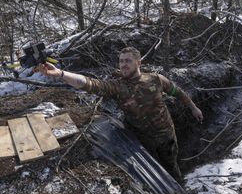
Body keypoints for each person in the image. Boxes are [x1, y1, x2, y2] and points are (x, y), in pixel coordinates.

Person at [39, 47, 203, 182]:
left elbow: (177, 91)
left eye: (128, 61)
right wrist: (61, 74)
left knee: (172, 167)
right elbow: (90, 84)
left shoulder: (155, 79)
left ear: (138, 63)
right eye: (121, 61)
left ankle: (180, 190)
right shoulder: (117, 87)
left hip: (166, 136)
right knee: (152, 174)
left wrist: (193, 107)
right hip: (142, 142)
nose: (123, 64)